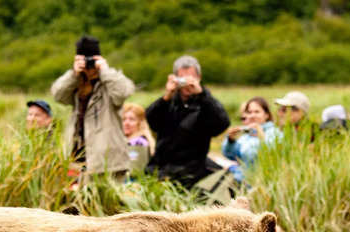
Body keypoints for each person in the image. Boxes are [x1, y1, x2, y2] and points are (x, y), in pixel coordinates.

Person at [51, 35, 135, 179]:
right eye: (85, 60)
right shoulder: (76, 83)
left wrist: (104, 70)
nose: (89, 66)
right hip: (78, 157)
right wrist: (73, 74)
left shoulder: (109, 81)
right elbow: (57, 95)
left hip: (108, 162)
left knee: (108, 201)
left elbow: (123, 92)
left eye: (91, 60)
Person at [145, 55, 230, 189]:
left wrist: (202, 96)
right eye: (182, 79)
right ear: (174, 78)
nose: (186, 84)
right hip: (162, 168)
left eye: (191, 78)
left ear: (199, 78)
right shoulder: (168, 102)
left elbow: (222, 123)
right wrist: (166, 96)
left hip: (193, 171)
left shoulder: (205, 103)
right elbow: (151, 120)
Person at [222, 96, 283, 169]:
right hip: (243, 176)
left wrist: (261, 136)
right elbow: (232, 156)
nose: (252, 115)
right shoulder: (247, 135)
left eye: (257, 112)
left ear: (267, 115)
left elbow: (274, 156)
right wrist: (231, 141)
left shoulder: (275, 133)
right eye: (249, 112)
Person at [122, 102, 155, 171]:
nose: (126, 123)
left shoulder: (139, 142)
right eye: (124, 119)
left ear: (140, 123)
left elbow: (134, 170)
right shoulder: (123, 140)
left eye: (131, 119)